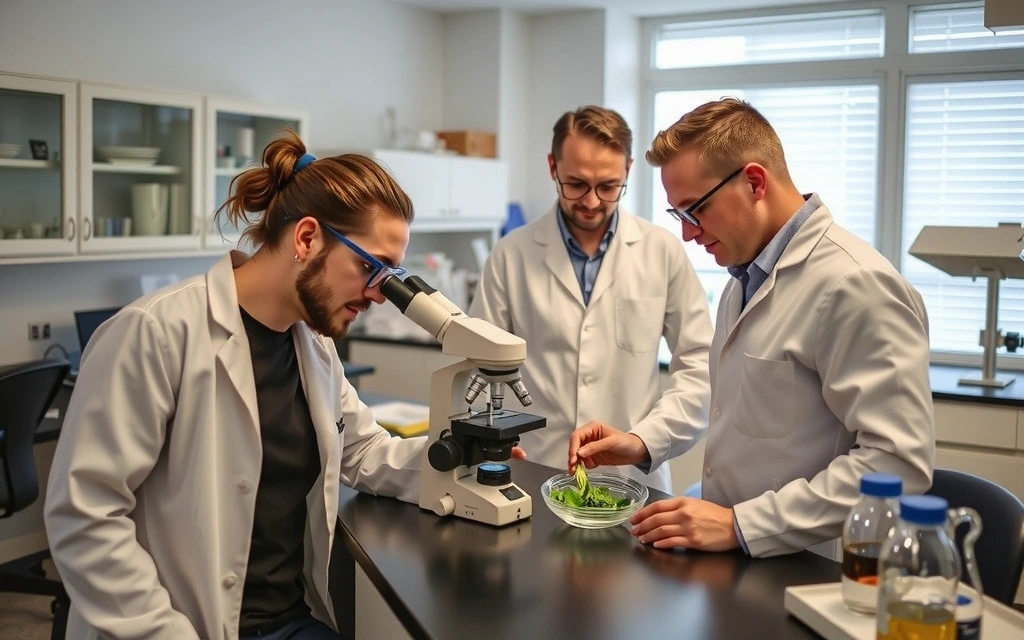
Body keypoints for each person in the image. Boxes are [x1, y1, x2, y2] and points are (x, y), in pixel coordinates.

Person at [44, 132, 431, 639]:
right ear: (307, 238)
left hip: (287, 620)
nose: (379, 294)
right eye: (371, 268)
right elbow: (85, 515)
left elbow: (362, 449)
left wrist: (461, 462)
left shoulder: (312, 344)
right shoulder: (156, 332)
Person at [569, 98, 934, 558]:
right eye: (678, 215)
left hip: (810, 571)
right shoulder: (745, 279)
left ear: (755, 182)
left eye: (694, 210)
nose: (687, 233)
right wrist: (643, 443)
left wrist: (741, 524)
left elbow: (898, 465)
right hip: (738, 564)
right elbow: (726, 402)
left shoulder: (856, 285)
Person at [470, 105, 712, 494]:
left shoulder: (662, 251)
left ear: (629, 170)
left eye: (608, 186)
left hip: (633, 479)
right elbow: (479, 367)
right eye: (577, 184)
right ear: (553, 167)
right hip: (534, 469)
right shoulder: (511, 255)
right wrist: (491, 440)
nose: (593, 201)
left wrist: (647, 440)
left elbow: (701, 366)